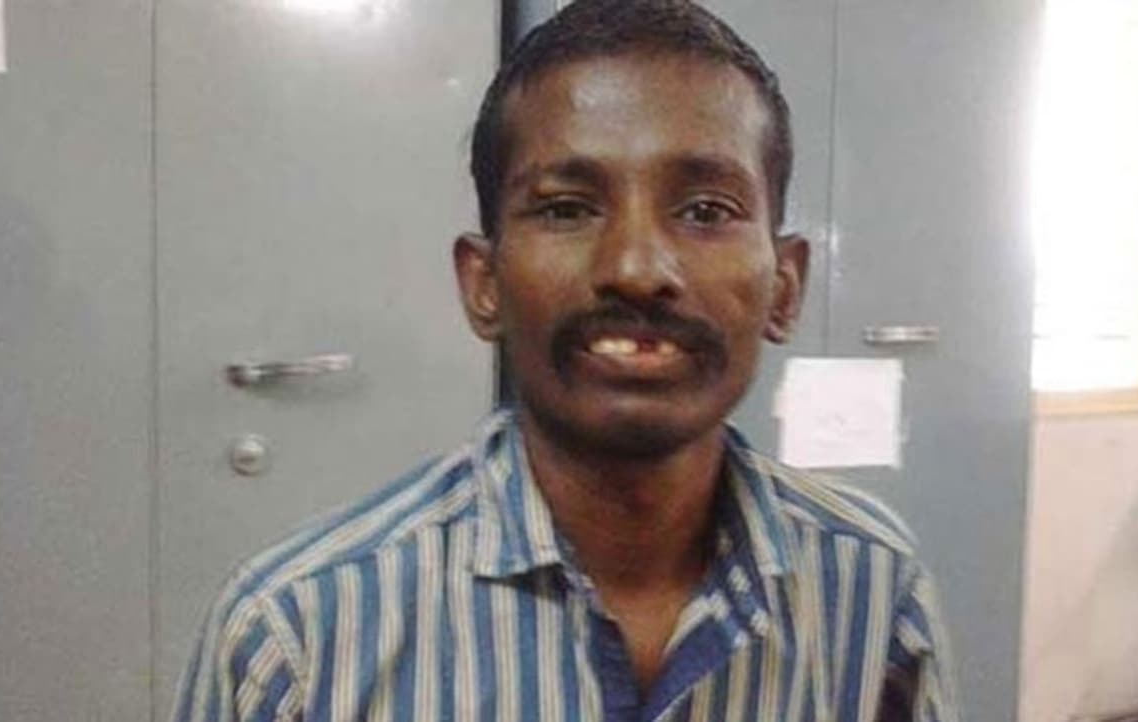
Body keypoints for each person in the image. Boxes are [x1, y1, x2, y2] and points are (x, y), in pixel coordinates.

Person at [171, 1, 956, 720]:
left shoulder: (872, 596)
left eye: (705, 210)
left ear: (784, 287)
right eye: (567, 208)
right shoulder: (298, 639)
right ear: (484, 284)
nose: (637, 268)